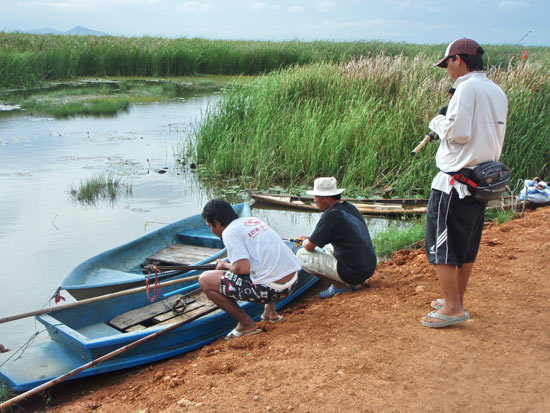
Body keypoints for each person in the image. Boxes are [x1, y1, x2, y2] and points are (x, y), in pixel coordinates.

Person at [422, 38, 508, 328]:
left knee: (441, 245)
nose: (446, 68)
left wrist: (436, 122)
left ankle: (453, 307)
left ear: (459, 59)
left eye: (447, 63)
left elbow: (458, 133)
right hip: (482, 179)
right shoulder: (496, 91)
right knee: (467, 243)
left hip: (454, 181)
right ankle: (455, 298)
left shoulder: (466, 88)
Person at [199, 199, 301, 339]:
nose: (211, 230)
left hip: (274, 291)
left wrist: (224, 265)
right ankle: (270, 313)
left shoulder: (229, 232)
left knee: (205, 280)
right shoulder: (252, 221)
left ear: (216, 222)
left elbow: (242, 269)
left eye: (210, 226)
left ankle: (246, 324)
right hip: (292, 282)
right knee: (260, 263)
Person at [296, 177, 377, 299]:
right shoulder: (349, 207)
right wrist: (311, 238)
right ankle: (351, 280)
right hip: (369, 266)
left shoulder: (330, 216)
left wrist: (304, 241)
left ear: (327, 197)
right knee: (327, 245)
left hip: (353, 273)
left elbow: (308, 246)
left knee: (302, 255)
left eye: (316, 197)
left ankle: (341, 286)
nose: (314, 200)